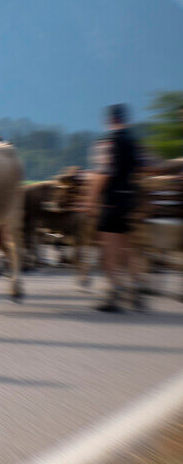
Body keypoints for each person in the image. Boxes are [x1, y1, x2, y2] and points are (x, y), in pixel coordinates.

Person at [84, 104, 145, 312]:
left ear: (110, 120)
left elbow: (104, 173)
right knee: (127, 247)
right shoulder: (133, 141)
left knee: (109, 249)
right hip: (130, 200)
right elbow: (143, 168)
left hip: (111, 201)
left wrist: (91, 200)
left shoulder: (108, 142)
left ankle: (114, 293)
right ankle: (136, 288)